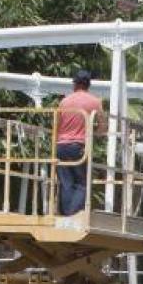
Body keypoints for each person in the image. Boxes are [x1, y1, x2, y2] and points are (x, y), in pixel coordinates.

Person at [56, 69, 105, 216]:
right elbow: (103, 127)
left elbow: (56, 125)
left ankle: (65, 215)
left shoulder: (64, 101)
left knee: (66, 183)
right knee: (82, 184)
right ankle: (73, 215)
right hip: (78, 147)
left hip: (61, 146)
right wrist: (93, 134)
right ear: (88, 85)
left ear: (75, 84)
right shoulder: (95, 102)